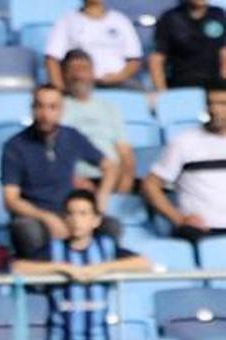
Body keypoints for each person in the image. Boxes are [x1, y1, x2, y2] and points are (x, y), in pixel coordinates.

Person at [12, 190, 150, 340]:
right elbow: (18, 267)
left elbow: (144, 263)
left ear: (96, 220)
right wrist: (63, 268)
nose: (76, 220)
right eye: (71, 214)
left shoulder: (106, 248)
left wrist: (101, 269)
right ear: (64, 219)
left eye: (83, 214)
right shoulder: (54, 250)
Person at [2, 85, 121, 258]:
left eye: (52, 107)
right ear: (32, 109)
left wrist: (101, 198)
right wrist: (47, 218)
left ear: (61, 110)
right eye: (40, 106)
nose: (45, 114)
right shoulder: (14, 146)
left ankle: (99, 275)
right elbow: (11, 199)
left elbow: (109, 166)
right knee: (27, 229)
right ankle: (42, 282)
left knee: (110, 225)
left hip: (69, 212)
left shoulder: (72, 137)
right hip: (36, 216)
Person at [143, 80, 226, 242]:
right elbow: (150, 185)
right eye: (211, 103)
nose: (215, 109)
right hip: (202, 234)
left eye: (223, 103)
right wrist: (178, 219)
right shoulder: (184, 141)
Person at [61, 49, 135, 193]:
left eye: (84, 69)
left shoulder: (109, 108)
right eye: (73, 70)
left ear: (92, 73)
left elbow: (124, 151)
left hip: (112, 178)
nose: (79, 75)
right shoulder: (58, 107)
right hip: (76, 182)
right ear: (65, 75)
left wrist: (125, 182)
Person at [44, 0, 142, 89]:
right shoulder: (67, 20)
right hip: (78, 85)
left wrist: (117, 77)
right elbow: (52, 59)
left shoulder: (120, 20)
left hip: (119, 84)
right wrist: (60, 90)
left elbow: (134, 59)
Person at [151, 0, 226, 91]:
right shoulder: (170, 18)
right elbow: (157, 59)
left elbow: (223, 50)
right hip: (182, 83)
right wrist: (163, 93)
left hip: (214, 81)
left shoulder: (218, 14)